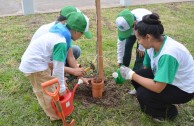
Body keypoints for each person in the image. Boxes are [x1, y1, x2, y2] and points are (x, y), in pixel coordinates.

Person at [119, 13, 194, 121]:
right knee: (139, 76)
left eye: (138, 39)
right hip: (170, 80)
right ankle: (154, 100)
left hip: (183, 89)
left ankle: (168, 112)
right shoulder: (153, 44)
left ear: (148, 37)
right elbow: (147, 68)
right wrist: (136, 77)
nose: (138, 42)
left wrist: (132, 75)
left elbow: (158, 88)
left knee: (143, 93)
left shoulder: (168, 54)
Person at [19, 12, 92, 121]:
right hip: (35, 66)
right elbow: (58, 69)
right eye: (82, 33)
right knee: (45, 92)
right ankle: (55, 116)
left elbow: (60, 64)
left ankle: (57, 108)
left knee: (52, 86)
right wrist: (62, 88)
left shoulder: (62, 33)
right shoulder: (60, 42)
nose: (82, 36)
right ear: (76, 31)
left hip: (41, 62)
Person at [32, 6, 88, 83]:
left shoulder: (64, 30)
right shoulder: (55, 34)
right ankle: (52, 75)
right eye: (82, 33)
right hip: (38, 64)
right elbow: (49, 63)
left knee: (75, 50)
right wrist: (71, 71)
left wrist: (79, 75)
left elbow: (70, 55)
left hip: (51, 58)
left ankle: (60, 72)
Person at [115, 8, 152, 94]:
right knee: (127, 46)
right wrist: (120, 60)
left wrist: (141, 48)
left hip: (145, 31)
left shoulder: (143, 22)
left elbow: (146, 39)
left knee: (140, 54)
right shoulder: (123, 23)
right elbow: (121, 44)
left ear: (134, 24)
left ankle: (136, 74)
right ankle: (124, 70)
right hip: (134, 28)